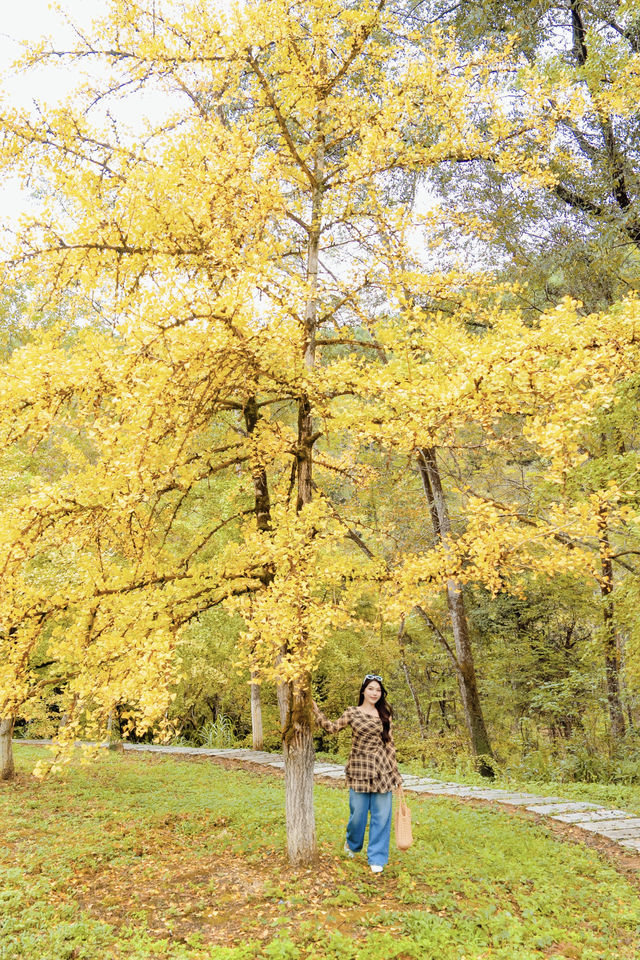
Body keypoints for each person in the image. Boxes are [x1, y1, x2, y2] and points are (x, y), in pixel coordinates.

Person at [312, 673, 402, 874]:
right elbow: (332, 728)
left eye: (378, 690)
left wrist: (396, 775)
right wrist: (316, 712)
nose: (374, 693)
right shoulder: (352, 712)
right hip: (359, 768)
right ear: (363, 690)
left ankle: (377, 858)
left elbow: (390, 745)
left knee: (382, 815)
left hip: (382, 770)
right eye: (371, 688)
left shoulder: (385, 714)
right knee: (358, 815)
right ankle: (352, 845)